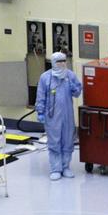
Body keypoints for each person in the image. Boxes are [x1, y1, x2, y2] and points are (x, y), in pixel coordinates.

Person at [35, 52, 83, 181]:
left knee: (67, 141)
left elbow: (78, 92)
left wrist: (74, 87)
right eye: (59, 62)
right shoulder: (45, 78)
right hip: (52, 116)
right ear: (53, 63)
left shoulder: (70, 75)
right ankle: (56, 169)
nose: (62, 64)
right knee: (54, 142)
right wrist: (40, 111)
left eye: (63, 61)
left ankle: (66, 167)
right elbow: (41, 96)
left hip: (67, 115)